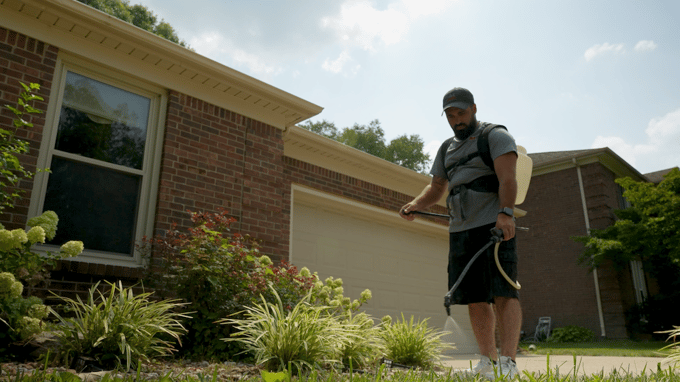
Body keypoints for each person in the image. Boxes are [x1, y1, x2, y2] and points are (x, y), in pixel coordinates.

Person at [399, 87, 521, 379]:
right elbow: (437, 187)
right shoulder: (446, 148)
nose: (456, 120)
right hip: (460, 230)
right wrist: (415, 205)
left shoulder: (496, 136)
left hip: (492, 227)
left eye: (461, 113)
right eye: (451, 115)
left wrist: (506, 213)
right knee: (475, 298)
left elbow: (508, 178)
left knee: (503, 292)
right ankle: (487, 363)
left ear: (474, 109)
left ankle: (508, 363)